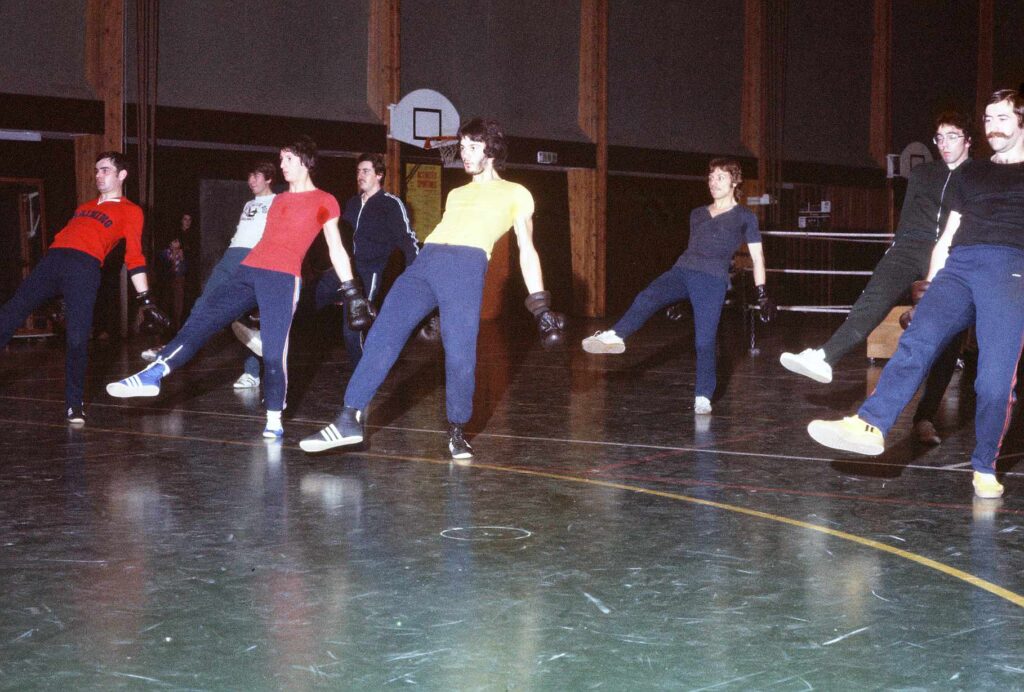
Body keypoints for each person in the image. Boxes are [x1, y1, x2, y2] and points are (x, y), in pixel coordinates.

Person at [299, 118, 566, 459]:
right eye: (463, 146)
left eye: (472, 147)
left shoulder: (516, 192)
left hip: (465, 268)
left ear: (491, 150)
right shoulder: (457, 193)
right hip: (426, 262)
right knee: (382, 332)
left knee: (459, 356)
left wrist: (540, 305)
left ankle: (457, 429)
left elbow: (527, 249)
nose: (464, 154)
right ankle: (349, 417)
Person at [806, 89, 1024, 500]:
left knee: (994, 385)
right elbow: (948, 234)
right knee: (917, 342)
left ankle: (984, 465)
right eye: (989, 119)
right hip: (959, 266)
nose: (993, 127)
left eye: (1002, 118)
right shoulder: (970, 174)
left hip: (1010, 269)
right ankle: (870, 423)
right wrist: (933, 281)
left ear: (1022, 121)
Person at [106, 137, 373, 439]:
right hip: (248, 269)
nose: (282, 165)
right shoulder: (280, 199)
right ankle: (154, 374)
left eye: (287, 159)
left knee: (274, 354)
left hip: (282, 278)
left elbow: (336, 249)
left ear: (305, 161)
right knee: (203, 317)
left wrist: (351, 290)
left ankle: (274, 417)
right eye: (281, 159)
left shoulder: (325, 200)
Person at [780, 112, 973, 443]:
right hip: (910, 247)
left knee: (948, 340)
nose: (944, 144)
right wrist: (894, 250)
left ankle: (925, 418)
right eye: (939, 138)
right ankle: (826, 357)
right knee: (873, 297)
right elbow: (908, 217)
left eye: (952, 136)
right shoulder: (923, 173)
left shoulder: (979, 177)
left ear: (969, 140)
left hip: (954, 255)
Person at [581, 158, 775, 415]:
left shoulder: (745, 217)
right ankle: (615, 335)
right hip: (682, 271)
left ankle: (703, 395)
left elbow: (757, 257)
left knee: (704, 342)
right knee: (647, 296)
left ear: (735, 181)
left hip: (712, 280)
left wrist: (761, 293)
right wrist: (679, 298)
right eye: (710, 177)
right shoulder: (697, 214)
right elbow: (694, 249)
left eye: (720, 177)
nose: (713, 182)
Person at [0, 151, 168, 424]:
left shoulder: (131, 210)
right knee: (10, 313)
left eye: (105, 170)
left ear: (122, 175)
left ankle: (74, 404)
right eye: (96, 170)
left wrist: (146, 299)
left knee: (78, 338)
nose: (98, 175)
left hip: (85, 268)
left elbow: (135, 257)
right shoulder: (84, 207)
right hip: (53, 260)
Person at [235, 153, 419, 368]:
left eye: (366, 171)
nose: (360, 175)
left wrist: (415, 277)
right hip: (342, 270)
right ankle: (261, 329)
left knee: (353, 331)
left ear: (379, 175)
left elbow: (408, 239)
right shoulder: (351, 203)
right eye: (358, 171)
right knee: (302, 301)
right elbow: (334, 239)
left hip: (369, 273)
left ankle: (364, 379)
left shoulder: (391, 204)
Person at [143, 162, 277, 391]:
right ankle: (173, 349)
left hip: (254, 260)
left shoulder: (278, 203)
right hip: (230, 258)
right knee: (203, 303)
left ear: (269, 178)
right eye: (249, 176)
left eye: (256, 176)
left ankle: (252, 373)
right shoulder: (248, 204)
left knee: (247, 320)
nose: (251, 181)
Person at [160, 237, 188, 330]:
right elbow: (165, 268)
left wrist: (182, 259)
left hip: (179, 279)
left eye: (178, 241)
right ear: (170, 243)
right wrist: (173, 256)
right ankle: (166, 326)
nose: (177, 244)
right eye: (174, 241)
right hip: (167, 280)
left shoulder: (182, 252)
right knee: (166, 302)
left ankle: (177, 326)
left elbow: (185, 270)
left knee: (178, 303)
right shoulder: (165, 253)